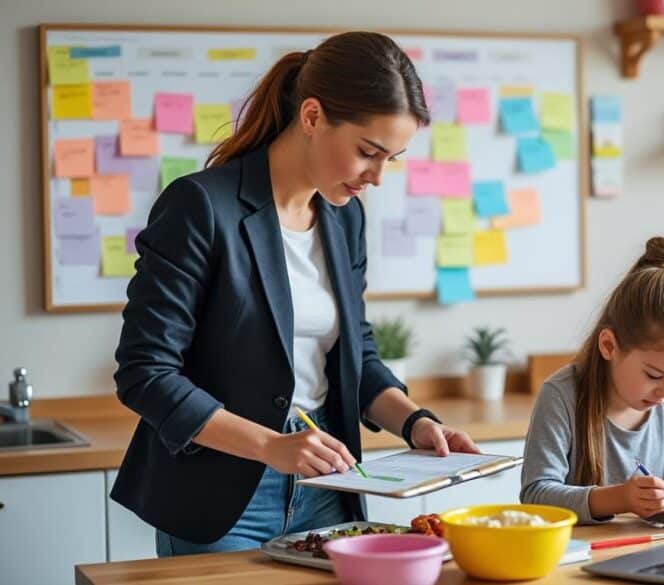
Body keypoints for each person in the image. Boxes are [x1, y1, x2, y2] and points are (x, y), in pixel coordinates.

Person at [112, 31, 479, 556]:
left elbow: (356, 353)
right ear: (311, 117)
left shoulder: (345, 217)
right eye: (367, 152)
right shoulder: (200, 206)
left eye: (390, 159)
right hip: (222, 500)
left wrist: (415, 422)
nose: (376, 176)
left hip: (329, 483)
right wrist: (272, 446)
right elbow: (145, 373)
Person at [520, 237, 664, 524]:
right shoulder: (562, 395)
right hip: (586, 556)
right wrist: (620, 498)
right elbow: (536, 496)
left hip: (659, 545)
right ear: (609, 345)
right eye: (654, 375)